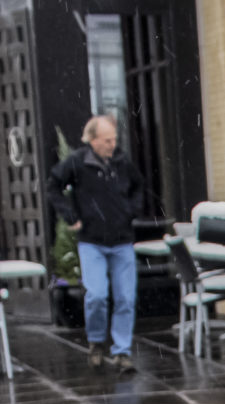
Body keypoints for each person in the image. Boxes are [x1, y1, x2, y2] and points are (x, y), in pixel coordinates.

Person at [47, 115, 150, 370]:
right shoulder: (78, 162)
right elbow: (53, 186)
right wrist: (71, 216)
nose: (112, 145)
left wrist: (130, 211)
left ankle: (122, 351)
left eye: (114, 139)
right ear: (92, 140)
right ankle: (95, 342)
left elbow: (139, 186)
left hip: (122, 239)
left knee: (126, 298)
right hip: (91, 241)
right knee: (96, 296)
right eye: (107, 140)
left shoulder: (122, 161)